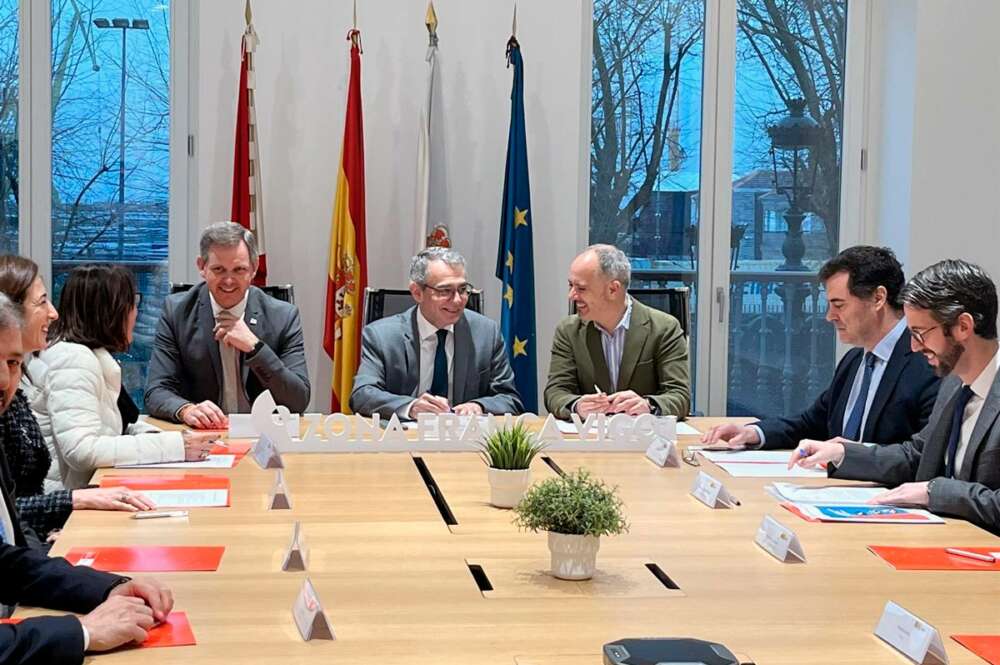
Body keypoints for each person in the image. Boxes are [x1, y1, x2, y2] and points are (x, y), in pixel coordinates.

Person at [790, 260, 1000, 534]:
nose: (913, 347)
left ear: (962, 326)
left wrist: (934, 491)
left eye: (920, 333)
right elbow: (917, 455)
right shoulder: (953, 385)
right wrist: (843, 453)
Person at [702, 246, 939, 449]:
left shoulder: (927, 363)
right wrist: (755, 433)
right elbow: (812, 422)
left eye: (839, 305)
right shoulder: (855, 360)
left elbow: (918, 454)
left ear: (878, 298)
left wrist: (849, 457)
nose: (829, 317)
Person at [0, 257, 155, 540]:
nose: (54, 313)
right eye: (42, 302)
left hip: (40, 535)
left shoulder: (23, 382)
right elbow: (81, 449)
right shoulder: (73, 358)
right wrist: (75, 502)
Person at [33, 265, 216, 491]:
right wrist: (174, 446)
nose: (135, 313)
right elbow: (81, 449)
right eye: (132, 303)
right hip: (68, 508)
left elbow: (115, 429)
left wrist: (168, 438)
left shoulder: (87, 354)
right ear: (110, 311)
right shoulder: (73, 359)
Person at [144, 222, 310, 428]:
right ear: (202, 267)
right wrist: (187, 410)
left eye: (239, 270)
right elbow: (156, 390)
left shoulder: (283, 316)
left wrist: (255, 348)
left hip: (264, 434)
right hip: (203, 436)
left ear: (254, 269)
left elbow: (298, 400)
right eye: (219, 270)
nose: (229, 281)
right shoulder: (177, 312)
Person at [350, 247, 524, 419]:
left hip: (464, 440)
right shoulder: (382, 336)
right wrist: (410, 407)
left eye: (463, 290)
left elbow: (510, 399)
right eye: (445, 291)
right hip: (403, 438)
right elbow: (363, 395)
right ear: (417, 293)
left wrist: (479, 406)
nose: (457, 300)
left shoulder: (486, 333)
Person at [544, 244, 690, 419]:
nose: (572, 295)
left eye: (581, 288)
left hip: (645, 439)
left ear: (613, 289)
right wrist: (576, 406)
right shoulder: (568, 331)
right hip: (589, 439)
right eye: (571, 286)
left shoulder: (664, 328)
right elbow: (555, 391)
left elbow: (680, 396)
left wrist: (648, 405)